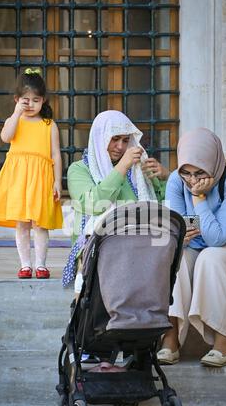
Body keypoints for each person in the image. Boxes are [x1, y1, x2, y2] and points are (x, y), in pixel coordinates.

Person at [157, 127, 226, 367]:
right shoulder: (176, 180)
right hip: (199, 245)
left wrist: (199, 200)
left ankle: (223, 344)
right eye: (186, 172)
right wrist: (190, 229)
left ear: (213, 164)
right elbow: (178, 228)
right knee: (178, 259)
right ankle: (171, 339)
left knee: (212, 257)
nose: (192, 180)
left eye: (200, 173)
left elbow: (218, 238)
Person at [62, 109, 168, 295]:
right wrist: (121, 167)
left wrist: (166, 178)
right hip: (98, 245)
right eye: (115, 139)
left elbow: (160, 206)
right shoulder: (78, 170)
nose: (120, 146)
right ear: (100, 137)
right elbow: (93, 204)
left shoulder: (137, 171)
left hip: (139, 240)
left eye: (126, 140)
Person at [0, 68, 63, 279]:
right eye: (25, 100)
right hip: (19, 179)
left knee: (40, 223)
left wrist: (57, 181)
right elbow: (5, 136)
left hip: (41, 179)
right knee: (22, 224)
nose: (30, 104)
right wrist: (16, 113)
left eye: (36, 100)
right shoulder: (16, 121)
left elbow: (56, 155)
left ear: (43, 101)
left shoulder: (49, 125)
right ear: (16, 99)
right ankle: (25, 265)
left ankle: (41, 264)